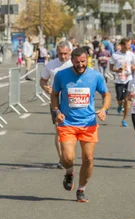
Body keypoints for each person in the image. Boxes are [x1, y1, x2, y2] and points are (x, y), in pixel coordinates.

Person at [51, 47, 112, 203]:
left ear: (88, 60)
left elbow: (106, 94)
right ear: (72, 60)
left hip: (88, 124)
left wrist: (104, 109)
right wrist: (57, 111)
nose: (80, 65)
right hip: (67, 123)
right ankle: (69, 172)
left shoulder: (95, 76)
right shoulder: (61, 75)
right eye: (77, 62)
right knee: (67, 158)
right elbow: (54, 94)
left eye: (83, 62)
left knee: (88, 159)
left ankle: (81, 189)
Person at [40, 41, 73, 168]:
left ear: (69, 52)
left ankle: (69, 155)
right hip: (56, 101)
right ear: (56, 52)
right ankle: (62, 159)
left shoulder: (74, 64)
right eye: (60, 54)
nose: (63, 56)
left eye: (65, 53)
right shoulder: (51, 65)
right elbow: (43, 80)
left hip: (72, 102)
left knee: (71, 130)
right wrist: (45, 87)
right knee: (59, 130)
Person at [109, 38, 135, 127]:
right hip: (119, 80)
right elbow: (111, 68)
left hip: (128, 79)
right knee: (120, 99)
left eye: (130, 45)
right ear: (122, 45)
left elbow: (134, 65)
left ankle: (124, 120)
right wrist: (117, 70)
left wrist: (133, 68)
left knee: (127, 100)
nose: (129, 47)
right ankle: (119, 105)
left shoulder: (131, 55)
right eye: (128, 45)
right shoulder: (115, 55)